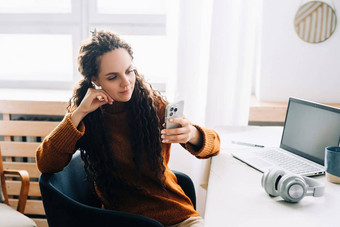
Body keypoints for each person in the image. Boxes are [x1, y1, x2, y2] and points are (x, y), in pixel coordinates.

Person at [36, 30, 220, 227]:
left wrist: (192, 134)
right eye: (113, 77)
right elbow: (46, 164)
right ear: (95, 80)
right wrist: (78, 114)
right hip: (125, 221)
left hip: (178, 216)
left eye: (129, 71)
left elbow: (215, 145)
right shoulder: (87, 117)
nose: (126, 82)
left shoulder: (152, 105)